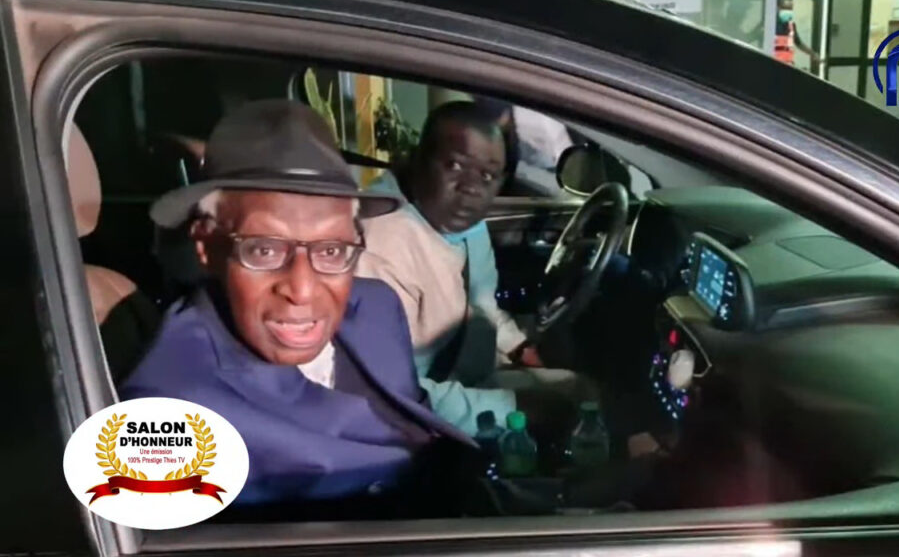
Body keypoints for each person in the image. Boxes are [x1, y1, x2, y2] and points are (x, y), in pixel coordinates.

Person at [119, 100, 476, 514]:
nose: (303, 290)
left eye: (331, 249)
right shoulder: (169, 414)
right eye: (263, 250)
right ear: (207, 246)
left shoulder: (376, 306)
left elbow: (414, 420)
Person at [357, 101, 591, 435]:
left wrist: (519, 347)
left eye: (487, 175)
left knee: (581, 392)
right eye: (455, 165)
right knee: (568, 410)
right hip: (417, 415)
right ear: (418, 160)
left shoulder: (461, 222)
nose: (471, 187)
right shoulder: (382, 247)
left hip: (469, 373)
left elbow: (482, 301)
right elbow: (393, 395)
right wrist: (516, 408)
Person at [775, 0, 821, 68]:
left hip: (787, 64)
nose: (788, 11)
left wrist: (813, 54)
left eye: (790, 9)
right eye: (786, 8)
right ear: (778, 8)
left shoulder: (791, 26)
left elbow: (799, 43)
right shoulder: (770, 24)